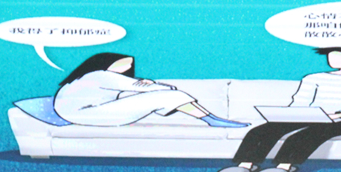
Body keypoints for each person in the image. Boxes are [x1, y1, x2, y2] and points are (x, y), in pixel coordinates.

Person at [217, 46, 341, 172]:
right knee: (263, 130)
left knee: (311, 133)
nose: (332, 58)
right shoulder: (315, 78)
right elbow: (300, 101)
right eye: (330, 55)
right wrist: (289, 115)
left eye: (339, 54)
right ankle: (246, 164)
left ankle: (285, 166)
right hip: (317, 114)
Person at [53, 53, 247, 128]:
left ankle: (211, 119)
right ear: (107, 63)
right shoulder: (100, 75)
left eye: (129, 66)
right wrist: (156, 86)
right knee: (170, 95)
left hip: (79, 113)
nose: (127, 69)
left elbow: (133, 90)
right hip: (87, 113)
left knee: (164, 97)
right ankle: (211, 119)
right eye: (122, 65)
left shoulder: (85, 78)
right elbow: (138, 87)